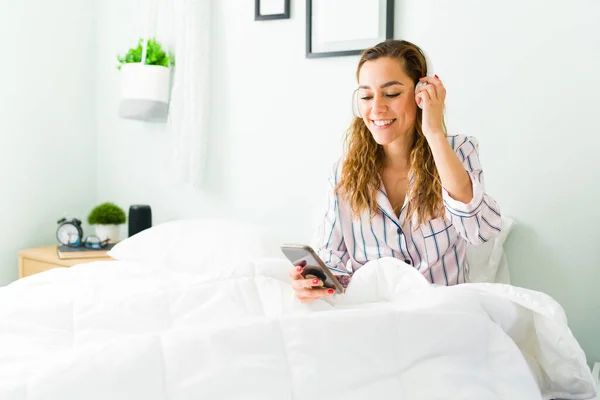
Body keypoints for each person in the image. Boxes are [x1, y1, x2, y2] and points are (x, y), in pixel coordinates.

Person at [289, 39, 502, 303]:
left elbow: (480, 230)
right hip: (372, 315)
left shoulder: (459, 151)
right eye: (366, 96)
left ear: (421, 94)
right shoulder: (344, 173)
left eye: (391, 94)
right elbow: (331, 257)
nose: (376, 108)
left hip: (441, 315)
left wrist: (433, 131)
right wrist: (314, 281)